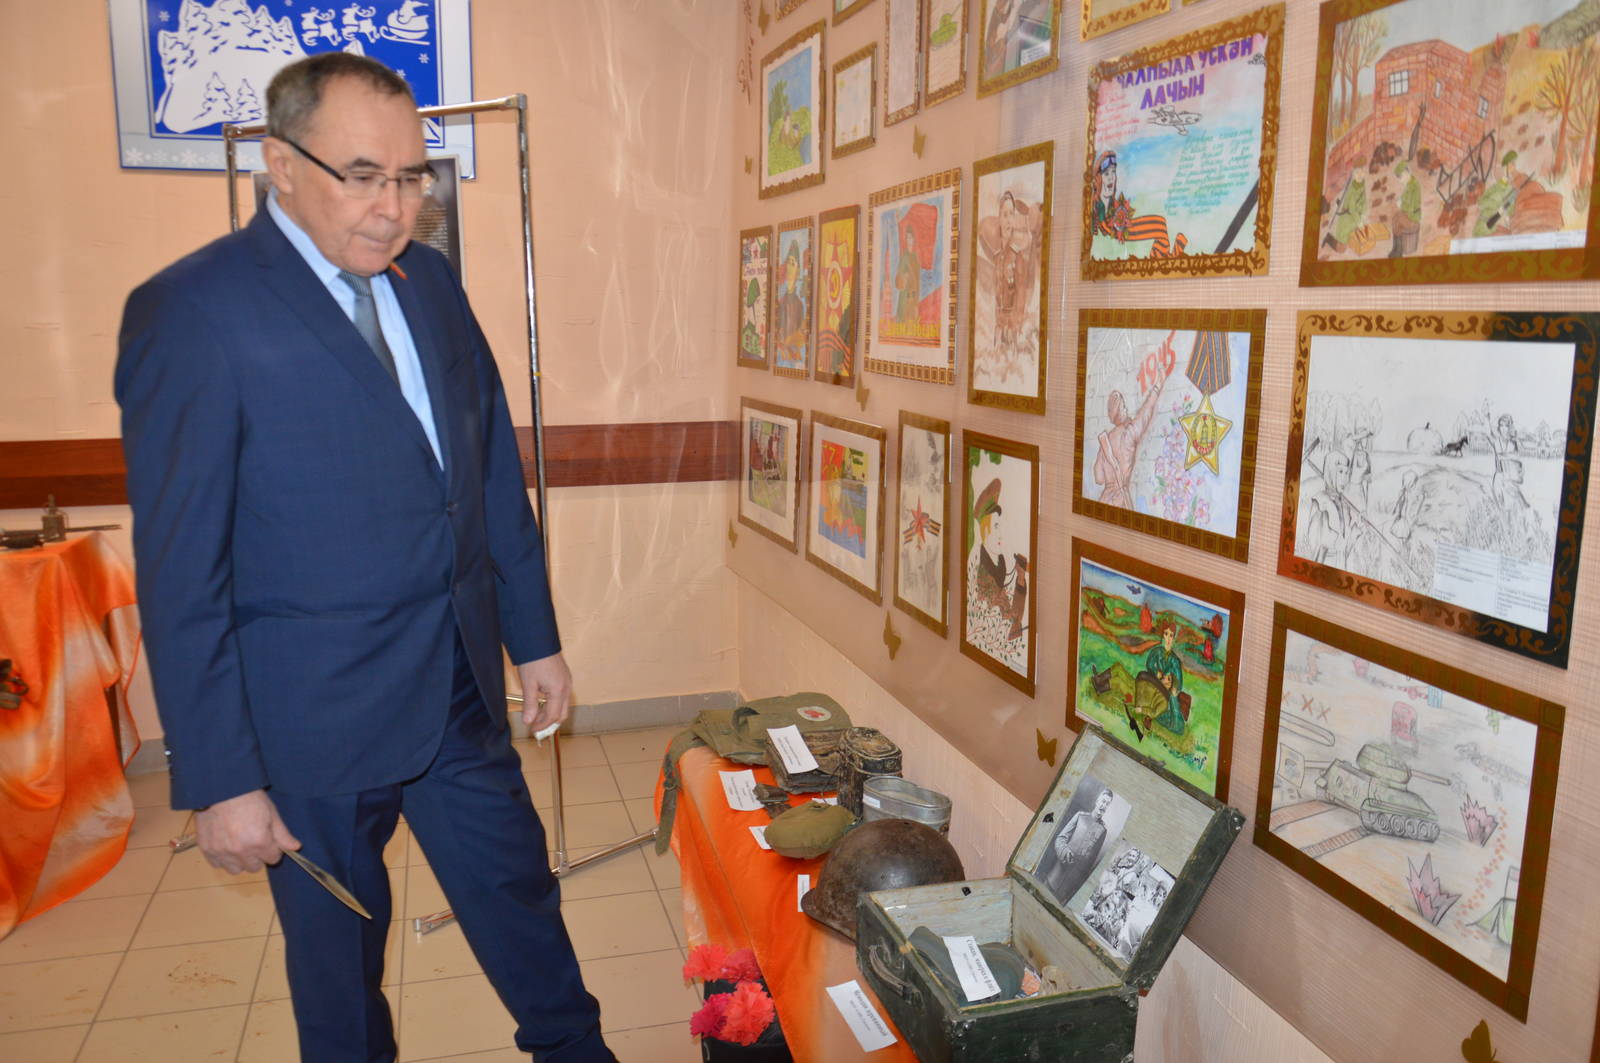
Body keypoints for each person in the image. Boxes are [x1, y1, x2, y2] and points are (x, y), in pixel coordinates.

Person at [116, 54, 613, 1063]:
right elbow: (180, 572)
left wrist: (535, 640)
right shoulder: (195, 310)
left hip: (457, 689)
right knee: (340, 968)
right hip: (311, 724)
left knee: (520, 895)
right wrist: (220, 778)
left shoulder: (430, 285)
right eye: (362, 176)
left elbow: (484, 475)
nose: (394, 208)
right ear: (279, 164)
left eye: (410, 176)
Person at [1036, 787, 1113, 906]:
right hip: (1054, 877)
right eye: (1103, 801)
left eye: (1107, 804)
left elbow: (1089, 865)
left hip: (1068, 887)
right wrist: (1064, 852)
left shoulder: (1103, 830)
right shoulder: (1081, 816)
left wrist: (1073, 892)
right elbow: (1061, 839)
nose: (1104, 806)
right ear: (1097, 801)